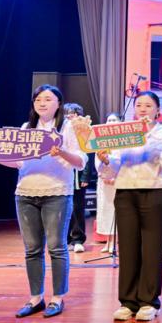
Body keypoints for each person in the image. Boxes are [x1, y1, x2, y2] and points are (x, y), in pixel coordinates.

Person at [0, 85, 86, 318]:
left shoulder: (68, 128)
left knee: (56, 247)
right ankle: (36, 298)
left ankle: (57, 298)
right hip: (25, 193)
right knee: (32, 249)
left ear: (59, 104)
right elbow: (18, 162)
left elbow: (81, 162)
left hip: (56, 193)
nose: (42, 103)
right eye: (38, 99)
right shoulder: (26, 128)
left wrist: (60, 152)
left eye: (48, 99)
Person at [97, 92, 162, 322]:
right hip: (125, 192)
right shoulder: (124, 132)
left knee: (152, 249)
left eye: (148, 105)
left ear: (157, 110)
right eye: (139, 105)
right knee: (128, 248)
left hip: (154, 192)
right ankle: (128, 302)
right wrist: (105, 159)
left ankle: (149, 301)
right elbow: (113, 167)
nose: (143, 109)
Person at [63, 103, 93, 253]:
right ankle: (65, 240)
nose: (69, 116)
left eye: (73, 114)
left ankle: (78, 239)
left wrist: (85, 176)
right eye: (67, 114)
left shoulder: (84, 130)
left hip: (78, 176)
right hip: (63, 176)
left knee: (77, 208)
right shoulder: (61, 129)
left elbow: (88, 154)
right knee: (63, 208)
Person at [95, 112, 121, 254]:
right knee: (105, 210)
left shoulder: (123, 141)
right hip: (104, 182)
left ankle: (115, 242)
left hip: (117, 182)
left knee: (115, 211)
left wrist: (115, 177)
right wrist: (102, 174)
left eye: (114, 120)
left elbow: (123, 161)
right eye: (109, 120)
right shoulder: (101, 141)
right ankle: (108, 241)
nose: (111, 122)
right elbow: (97, 161)